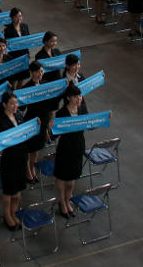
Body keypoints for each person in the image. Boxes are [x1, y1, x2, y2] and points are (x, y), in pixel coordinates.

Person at [0, 90, 27, 230]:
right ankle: (7, 215)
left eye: (16, 103)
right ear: (4, 104)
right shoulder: (0, 120)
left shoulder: (19, 115)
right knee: (9, 190)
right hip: (9, 159)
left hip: (21, 157)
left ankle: (14, 213)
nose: (15, 106)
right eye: (12, 103)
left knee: (18, 188)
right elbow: (0, 139)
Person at [53, 84, 86, 219]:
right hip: (65, 147)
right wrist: (51, 127)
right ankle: (62, 202)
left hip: (78, 145)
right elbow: (55, 135)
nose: (79, 98)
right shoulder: (61, 113)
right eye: (75, 96)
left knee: (72, 176)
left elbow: (90, 124)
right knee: (62, 175)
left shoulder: (82, 109)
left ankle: (68, 199)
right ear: (68, 98)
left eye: (80, 95)